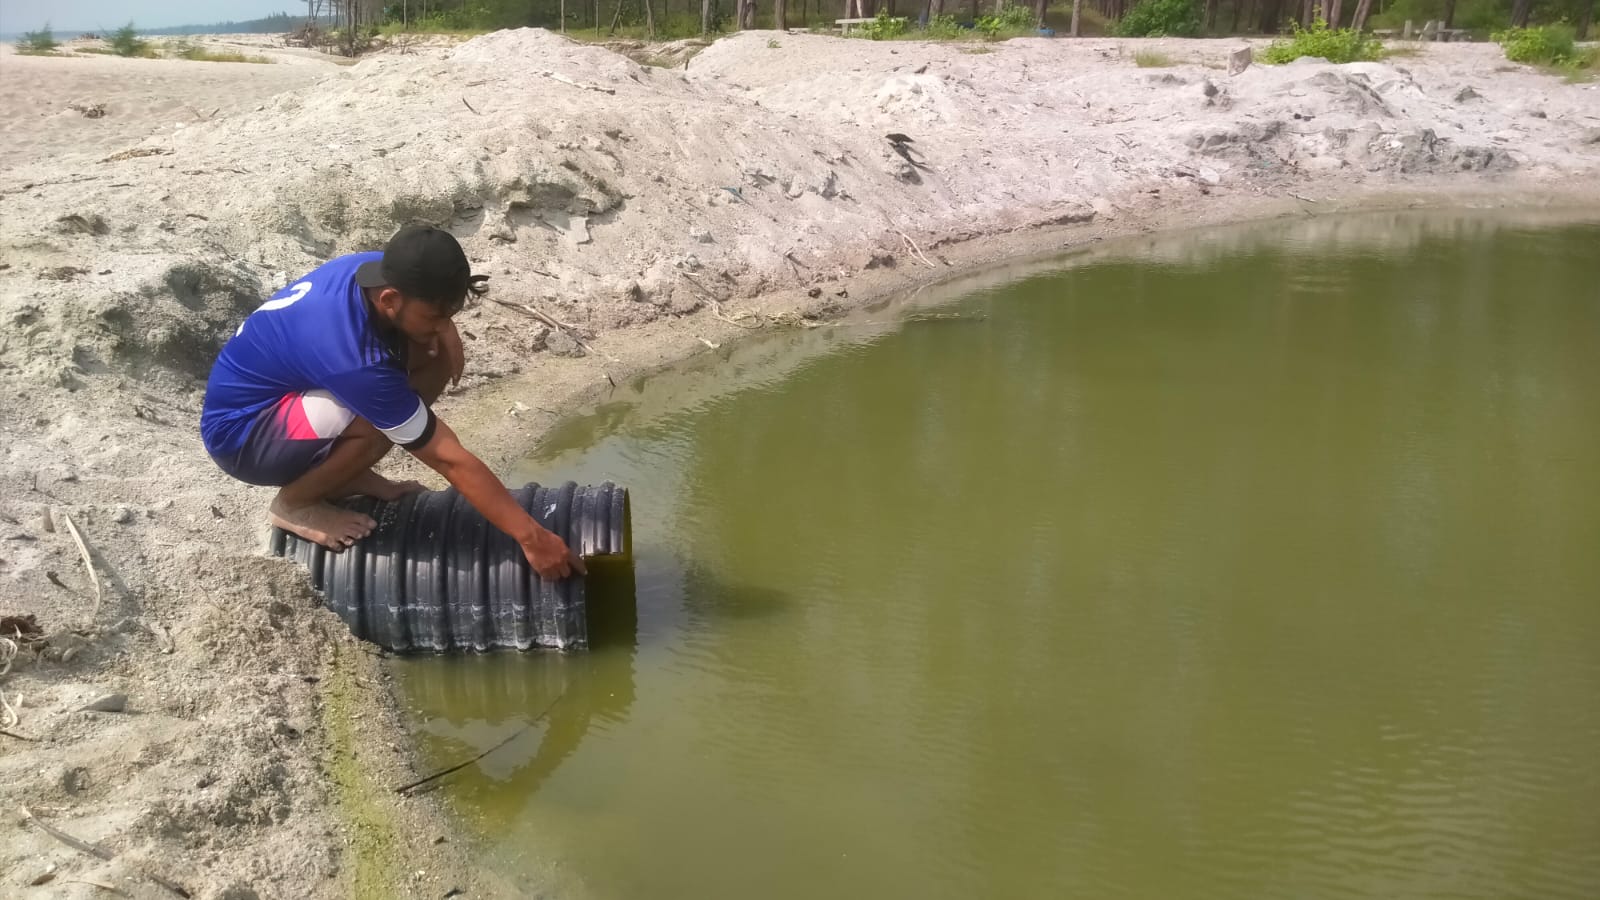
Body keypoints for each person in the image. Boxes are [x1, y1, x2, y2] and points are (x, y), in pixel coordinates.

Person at [200, 225, 585, 581]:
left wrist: (443, 327)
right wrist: (531, 537)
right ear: (389, 299)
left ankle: (341, 475)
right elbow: (447, 457)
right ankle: (295, 503)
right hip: (243, 437)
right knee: (379, 419)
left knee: (426, 362)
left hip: (289, 401)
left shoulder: (371, 269)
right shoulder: (350, 355)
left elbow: (418, 331)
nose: (442, 325)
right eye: (435, 316)